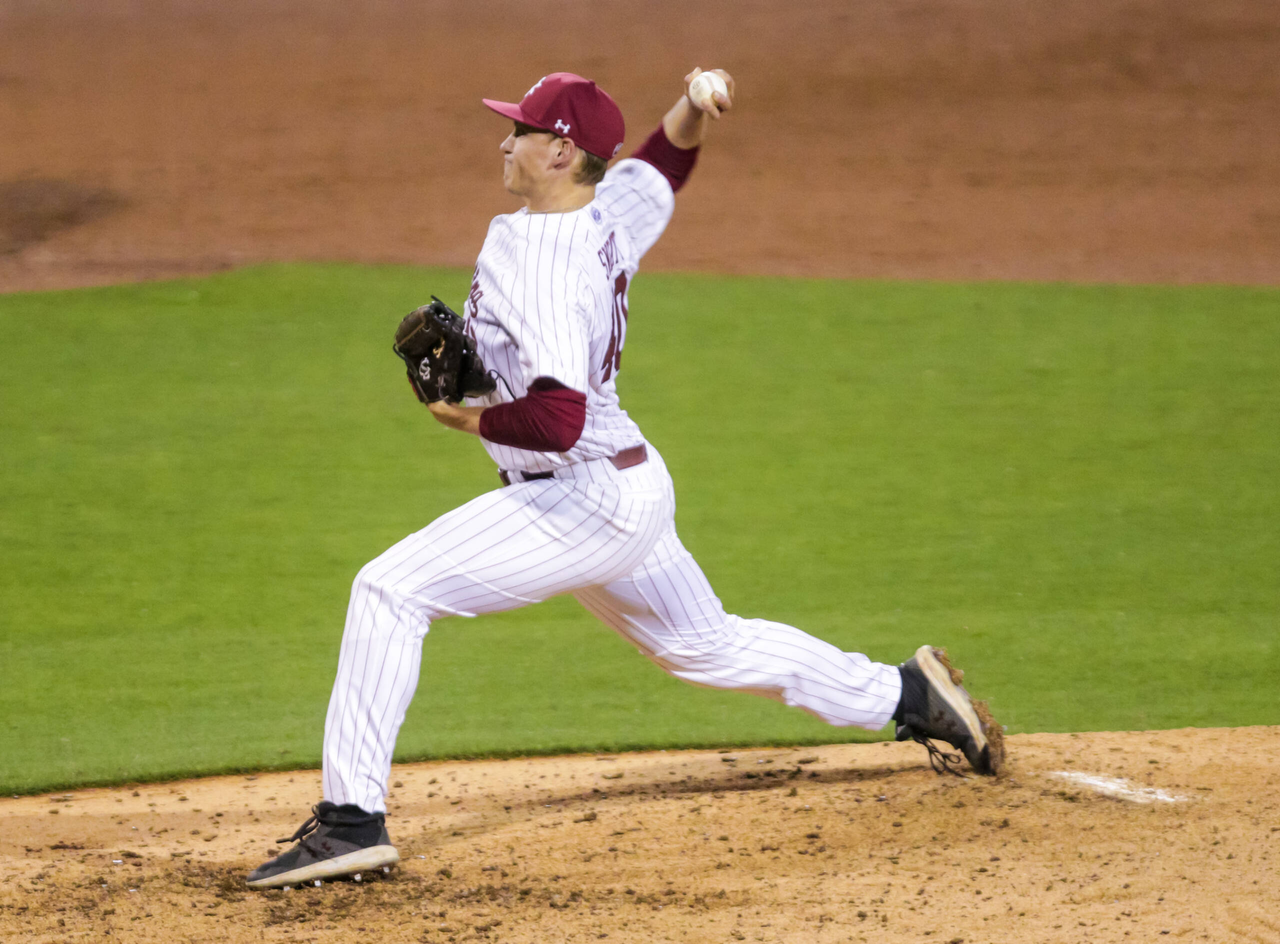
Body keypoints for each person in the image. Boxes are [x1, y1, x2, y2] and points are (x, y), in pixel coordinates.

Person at [246, 68, 1003, 890]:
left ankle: (350, 825)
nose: (507, 141)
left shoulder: (535, 257)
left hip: (581, 499)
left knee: (388, 591)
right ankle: (907, 697)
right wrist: (694, 106)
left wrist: (463, 416)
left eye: (523, 131)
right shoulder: (602, 213)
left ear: (563, 151)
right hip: (628, 487)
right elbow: (661, 165)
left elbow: (558, 420)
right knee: (702, 644)